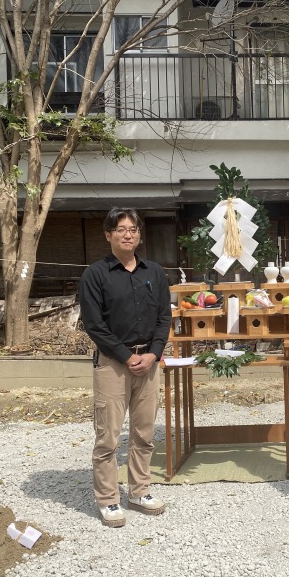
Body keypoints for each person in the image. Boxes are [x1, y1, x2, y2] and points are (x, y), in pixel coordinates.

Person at [79, 207, 172, 528]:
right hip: (112, 365)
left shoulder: (155, 273)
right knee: (108, 436)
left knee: (144, 432)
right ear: (108, 235)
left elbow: (164, 317)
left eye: (133, 229)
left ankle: (140, 490)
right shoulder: (95, 275)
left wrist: (154, 353)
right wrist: (124, 355)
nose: (128, 234)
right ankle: (107, 499)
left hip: (148, 362)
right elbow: (94, 324)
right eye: (121, 229)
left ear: (139, 234)